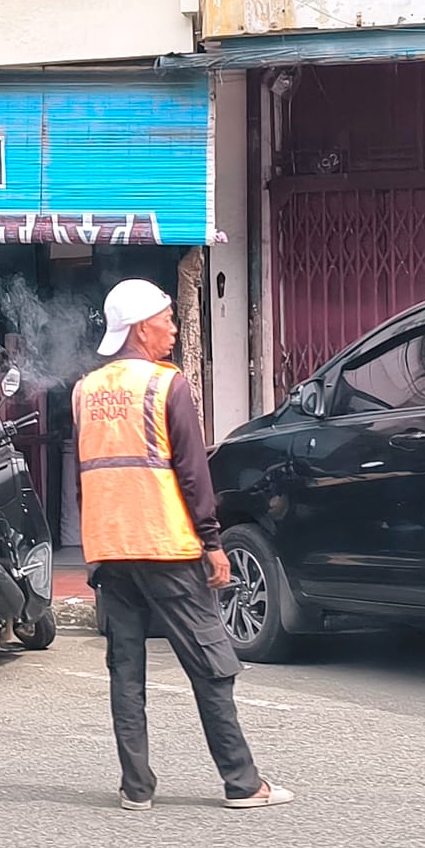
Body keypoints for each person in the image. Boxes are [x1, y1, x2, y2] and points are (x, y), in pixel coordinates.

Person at [75, 278, 293, 812]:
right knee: (212, 664)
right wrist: (212, 543)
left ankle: (136, 788)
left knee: (126, 670)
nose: (173, 328)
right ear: (142, 327)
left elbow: (90, 475)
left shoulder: (85, 390)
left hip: (111, 548)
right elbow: (194, 474)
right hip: (165, 544)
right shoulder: (164, 385)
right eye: (167, 319)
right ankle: (242, 783)